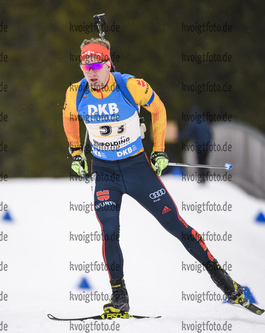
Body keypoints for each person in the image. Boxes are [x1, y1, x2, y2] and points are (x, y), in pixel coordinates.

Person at [62, 38, 245, 314]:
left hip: (137, 169)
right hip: (105, 172)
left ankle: (223, 280)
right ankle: (119, 296)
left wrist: (159, 150)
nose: (91, 72)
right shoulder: (76, 92)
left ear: (108, 64)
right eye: (85, 66)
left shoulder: (130, 86)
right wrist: (76, 152)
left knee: (175, 225)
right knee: (109, 232)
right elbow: (69, 118)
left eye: (96, 65)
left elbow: (158, 109)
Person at [179, 105, 213, 183]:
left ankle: (202, 178)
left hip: (200, 146)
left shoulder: (193, 123)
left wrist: (178, 135)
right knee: (205, 161)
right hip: (207, 146)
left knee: (200, 162)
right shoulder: (204, 122)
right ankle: (206, 176)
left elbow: (187, 134)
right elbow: (210, 133)